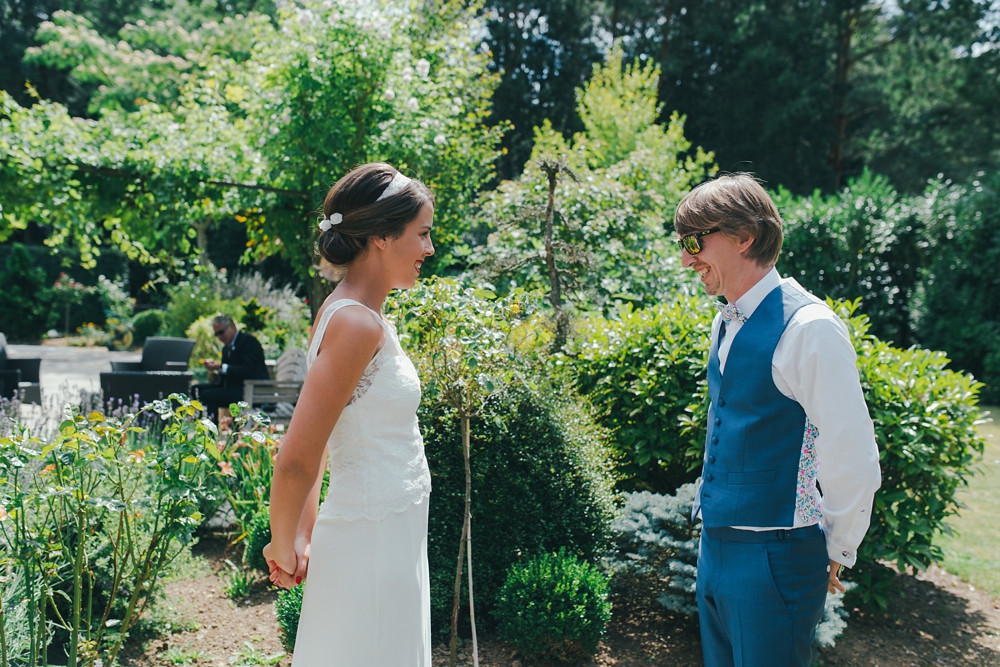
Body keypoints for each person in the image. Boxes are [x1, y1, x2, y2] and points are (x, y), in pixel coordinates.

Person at [674, 174, 882, 667]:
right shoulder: (725, 319)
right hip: (717, 550)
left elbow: (850, 448)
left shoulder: (809, 327)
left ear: (744, 237)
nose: (686, 259)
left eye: (694, 242)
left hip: (775, 558)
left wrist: (838, 546)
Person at [263, 163, 435, 665]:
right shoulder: (355, 324)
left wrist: (304, 532)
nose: (429, 249)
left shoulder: (359, 315)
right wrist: (283, 541)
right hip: (371, 542)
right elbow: (297, 454)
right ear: (382, 235)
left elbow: (323, 438)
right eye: (422, 234)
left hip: (391, 533)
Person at [194, 314, 270, 421]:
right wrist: (215, 378)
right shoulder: (226, 348)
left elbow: (249, 370)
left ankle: (211, 434)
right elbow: (226, 376)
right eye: (216, 334)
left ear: (232, 326)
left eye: (221, 332)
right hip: (233, 389)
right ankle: (199, 425)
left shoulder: (249, 342)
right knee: (195, 389)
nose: (219, 337)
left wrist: (221, 367)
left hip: (248, 391)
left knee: (207, 395)